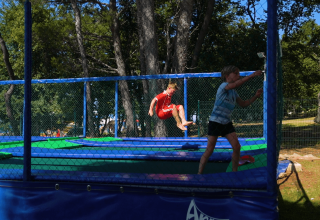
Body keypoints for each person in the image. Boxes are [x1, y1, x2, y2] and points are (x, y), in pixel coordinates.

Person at [198, 66, 263, 174]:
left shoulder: (234, 92)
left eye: (239, 73)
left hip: (226, 123)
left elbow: (243, 104)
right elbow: (236, 84)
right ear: (227, 76)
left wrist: (256, 96)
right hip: (215, 122)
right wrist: (252, 75)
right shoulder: (223, 86)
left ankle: (234, 173)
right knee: (209, 150)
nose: (239, 75)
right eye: (236, 73)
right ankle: (199, 174)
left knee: (237, 147)